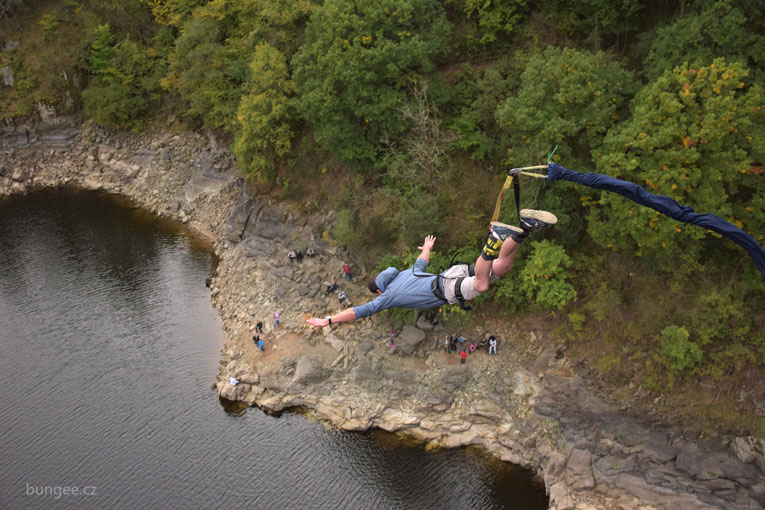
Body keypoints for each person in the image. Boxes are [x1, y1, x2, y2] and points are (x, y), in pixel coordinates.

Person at [306, 209, 557, 328]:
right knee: (500, 269)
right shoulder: (405, 273)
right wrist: (426, 246)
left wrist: (328, 320)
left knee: (482, 284)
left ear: (378, 292)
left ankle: (493, 240)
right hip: (449, 275)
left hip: (447, 289)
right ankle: (525, 227)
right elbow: (423, 258)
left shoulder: (387, 297)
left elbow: (357, 312)